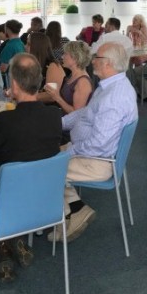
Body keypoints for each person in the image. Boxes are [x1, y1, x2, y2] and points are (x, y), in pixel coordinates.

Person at [0, 53, 62, 281]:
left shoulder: (3, 121)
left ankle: (4, 247)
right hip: (43, 197)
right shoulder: (54, 116)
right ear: (39, 81)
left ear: (15, 84)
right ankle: (14, 239)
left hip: (4, 196)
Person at [51, 42, 137, 243]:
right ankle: (76, 208)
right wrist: (59, 124)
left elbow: (99, 144)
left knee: (45, 168)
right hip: (90, 153)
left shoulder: (115, 96)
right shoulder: (108, 86)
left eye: (96, 58)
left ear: (107, 64)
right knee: (44, 155)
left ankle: (69, 213)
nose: (92, 61)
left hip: (96, 160)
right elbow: (84, 113)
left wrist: (70, 151)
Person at [40, 40, 94, 114]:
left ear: (75, 58)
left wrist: (57, 97)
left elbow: (76, 115)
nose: (62, 57)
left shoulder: (83, 82)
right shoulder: (72, 76)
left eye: (65, 54)